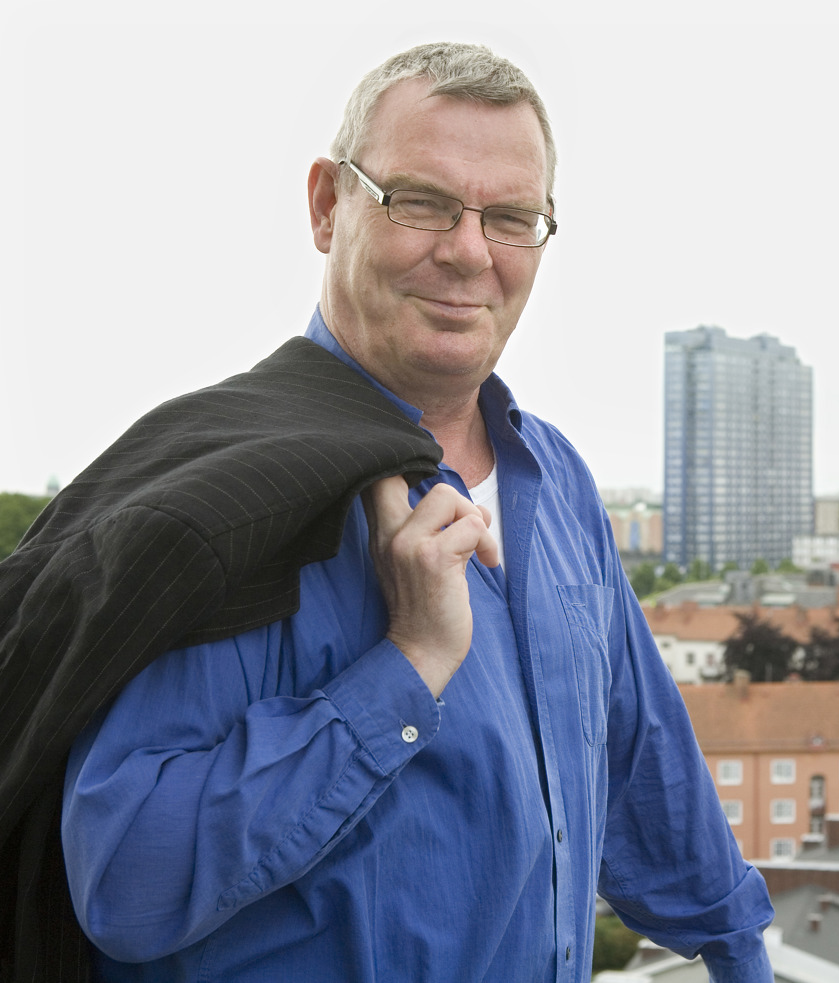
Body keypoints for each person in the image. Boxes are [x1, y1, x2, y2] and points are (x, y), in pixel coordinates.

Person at [52, 42, 774, 981]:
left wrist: (738, 955)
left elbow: (645, 779)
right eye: (421, 202)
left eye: (511, 217)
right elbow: (126, 884)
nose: (469, 250)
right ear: (326, 205)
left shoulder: (554, 480)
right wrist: (407, 667)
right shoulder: (225, 503)